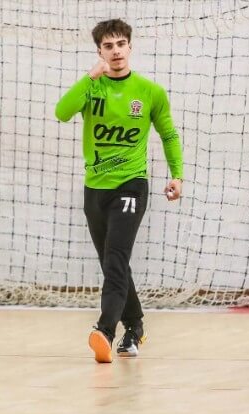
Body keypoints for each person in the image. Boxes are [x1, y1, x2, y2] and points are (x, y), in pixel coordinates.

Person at [55, 19, 184, 363]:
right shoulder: (91, 88)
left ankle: (105, 331)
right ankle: (135, 326)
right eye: (108, 46)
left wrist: (178, 175)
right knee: (113, 263)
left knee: (115, 258)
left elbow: (169, 135)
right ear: (99, 51)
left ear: (130, 47)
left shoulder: (149, 91)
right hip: (95, 189)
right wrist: (89, 77)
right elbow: (62, 112)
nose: (116, 51)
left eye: (121, 44)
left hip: (131, 185)